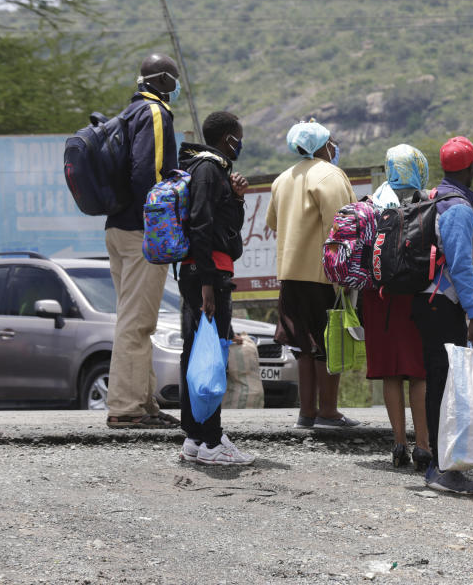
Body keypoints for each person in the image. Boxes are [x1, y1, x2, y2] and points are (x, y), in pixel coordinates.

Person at [105, 53, 182, 429]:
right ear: (165, 81)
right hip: (140, 232)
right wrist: (159, 228)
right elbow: (147, 173)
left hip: (116, 228)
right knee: (138, 323)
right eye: (176, 80)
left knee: (133, 318)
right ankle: (126, 407)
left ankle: (144, 402)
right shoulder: (154, 113)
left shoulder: (127, 113)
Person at [267, 120, 359, 430]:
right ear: (321, 145)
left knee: (302, 345)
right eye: (331, 141)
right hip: (323, 273)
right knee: (329, 341)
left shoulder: (283, 179)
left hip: (290, 272)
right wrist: (344, 277)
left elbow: (273, 223)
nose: (334, 146)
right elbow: (342, 227)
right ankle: (329, 412)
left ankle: (307, 413)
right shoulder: (331, 175)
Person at [176, 111, 255, 465]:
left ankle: (195, 436)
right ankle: (211, 442)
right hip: (207, 275)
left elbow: (227, 229)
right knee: (211, 356)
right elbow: (201, 224)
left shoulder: (203, 168)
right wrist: (208, 282)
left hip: (200, 272)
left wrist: (237, 198)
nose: (241, 143)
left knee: (196, 353)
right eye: (239, 136)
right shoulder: (208, 169)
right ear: (227, 138)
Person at [410, 136, 473, 495]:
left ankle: (436, 464)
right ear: (470, 169)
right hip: (442, 303)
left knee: (439, 382)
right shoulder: (457, 207)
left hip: (428, 302)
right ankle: (442, 469)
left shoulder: (436, 197)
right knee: (444, 386)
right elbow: (459, 265)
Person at [364, 144, 432, 470]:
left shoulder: (371, 204)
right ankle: (423, 446)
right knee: (418, 373)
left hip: (379, 300)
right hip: (414, 296)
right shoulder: (426, 201)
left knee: (391, 372)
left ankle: (398, 444)